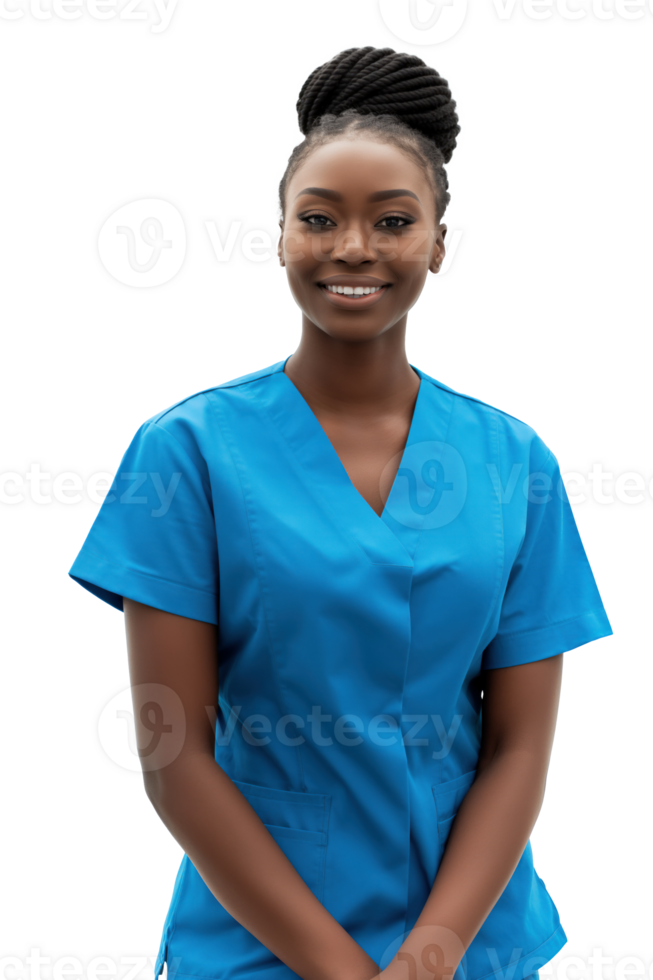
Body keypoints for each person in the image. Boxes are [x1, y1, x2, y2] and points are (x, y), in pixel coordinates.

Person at [67, 42, 614, 980]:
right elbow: (169, 752)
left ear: (443, 242)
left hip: (475, 946)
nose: (353, 248)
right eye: (318, 218)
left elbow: (522, 746)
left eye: (392, 220)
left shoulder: (513, 460)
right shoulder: (185, 451)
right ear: (274, 232)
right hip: (259, 949)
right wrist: (339, 971)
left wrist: (429, 957)